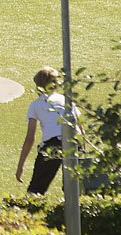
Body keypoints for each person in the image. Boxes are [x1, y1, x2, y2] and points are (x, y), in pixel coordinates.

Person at [15, 66, 81, 196]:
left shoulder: (35, 105)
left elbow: (30, 138)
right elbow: (80, 127)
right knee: (74, 188)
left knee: (35, 191)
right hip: (74, 143)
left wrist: (20, 165)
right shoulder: (66, 100)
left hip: (53, 145)